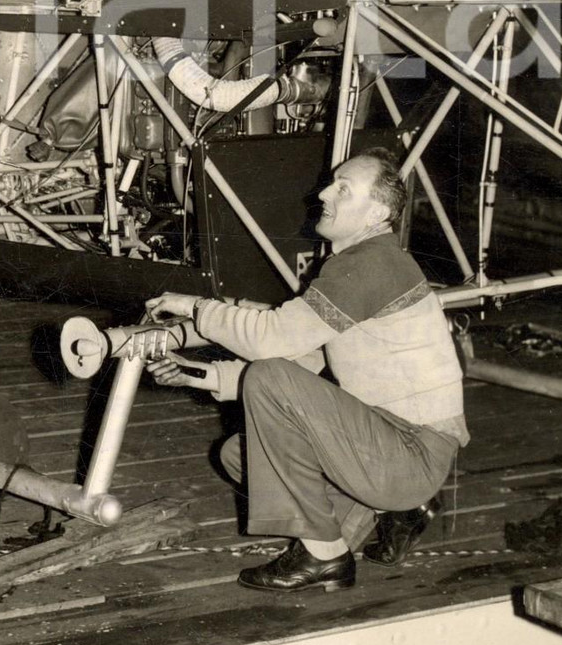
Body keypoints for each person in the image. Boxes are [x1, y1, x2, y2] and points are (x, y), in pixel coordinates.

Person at [145, 147, 466, 593]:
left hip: (410, 452)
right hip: (395, 446)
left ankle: (325, 555)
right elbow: (312, 365)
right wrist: (203, 375)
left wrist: (197, 308)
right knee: (240, 455)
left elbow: (273, 345)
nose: (323, 192)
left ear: (376, 212)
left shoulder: (372, 263)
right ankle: (397, 510)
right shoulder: (361, 262)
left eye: (342, 188)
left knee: (269, 378)